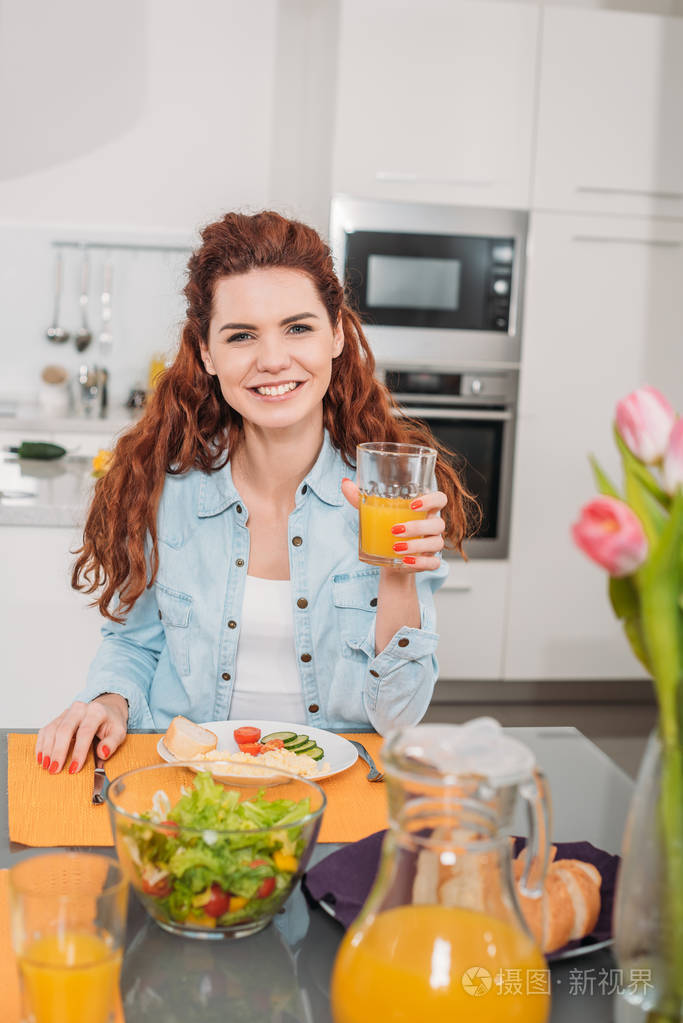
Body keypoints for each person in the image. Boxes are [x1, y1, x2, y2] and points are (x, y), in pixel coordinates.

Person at [36, 211, 478, 775]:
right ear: (207, 354)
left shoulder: (390, 497)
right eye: (242, 335)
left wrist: (397, 571)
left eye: (298, 328)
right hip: (189, 787)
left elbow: (397, 720)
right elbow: (134, 645)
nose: (273, 359)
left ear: (337, 335)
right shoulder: (164, 491)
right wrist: (107, 702)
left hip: (335, 794)